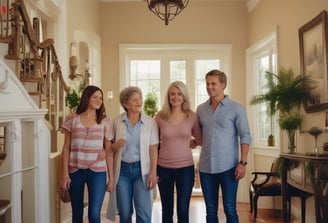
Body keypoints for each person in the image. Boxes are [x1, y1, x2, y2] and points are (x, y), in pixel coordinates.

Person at [196, 69, 251, 223]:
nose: (209, 87)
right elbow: (202, 136)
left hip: (229, 167)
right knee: (210, 210)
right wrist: (195, 141)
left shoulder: (236, 108)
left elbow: (245, 135)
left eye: (213, 83)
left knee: (229, 208)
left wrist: (243, 163)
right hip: (206, 168)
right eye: (207, 83)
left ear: (223, 85)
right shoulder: (200, 109)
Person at [59, 85, 114, 223]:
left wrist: (111, 178)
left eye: (100, 98)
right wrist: (64, 173)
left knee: (94, 215)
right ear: (86, 98)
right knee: (77, 214)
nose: (99, 100)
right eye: (95, 97)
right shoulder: (72, 119)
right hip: (75, 171)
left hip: (97, 172)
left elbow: (109, 151)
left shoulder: (105, 122)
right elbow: (66, 148)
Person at [106, 86, 159, 223]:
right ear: (125, 104)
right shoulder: (117, 122)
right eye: (134, 99)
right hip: (122, 171)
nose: (139, 102)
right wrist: (116, 145)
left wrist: (153, 172)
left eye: (140, 98)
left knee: (143, 213)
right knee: (124, 213)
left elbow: (153, 149)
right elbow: (109, 149)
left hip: (143, 171)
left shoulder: (150, 122)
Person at [155, 81, 202, 223]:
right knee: (166, 209)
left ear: (184, 96)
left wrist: (194, 142)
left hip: (185, 169)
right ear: (168, 96)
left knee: (183, 208)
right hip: (163, 168)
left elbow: (200, 139)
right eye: (172, 94)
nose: (176, 97)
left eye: (179, 94)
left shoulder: (192, 116)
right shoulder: (160, 116)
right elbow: (153, 144)